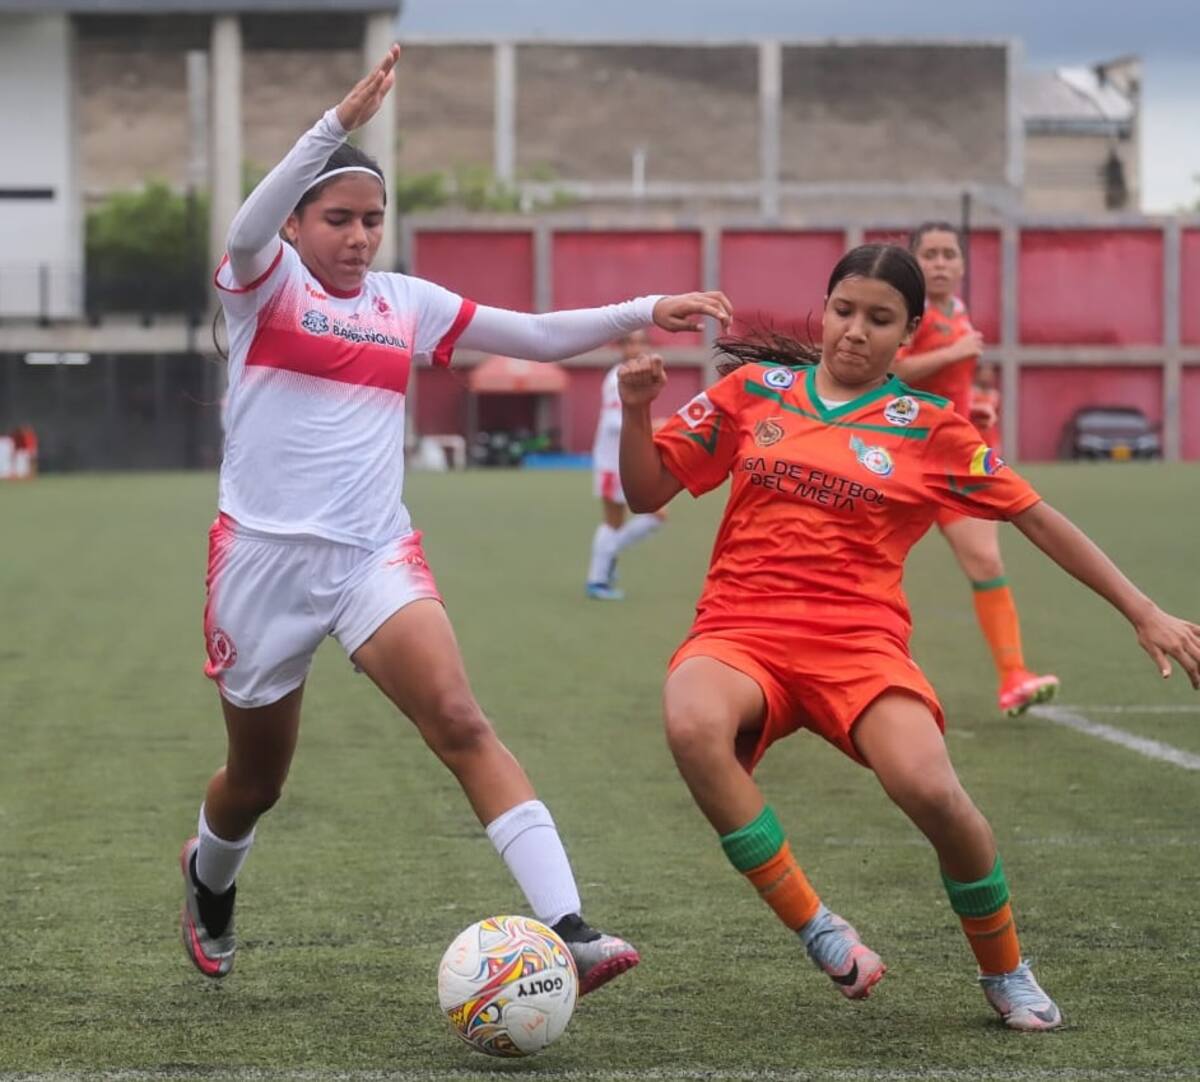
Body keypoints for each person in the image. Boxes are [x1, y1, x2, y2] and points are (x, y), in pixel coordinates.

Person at [183, 44, 733, 991]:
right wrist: (335, 126)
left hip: (371, 556)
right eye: (339, 219)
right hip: (261, 565)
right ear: (303, 223)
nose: (360, 237)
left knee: (460, 719)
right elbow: (242, 232)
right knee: (257, 784)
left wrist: (649, 307)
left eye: (373, 221)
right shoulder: (263, 287)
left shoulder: (406, 303)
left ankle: (571, 927)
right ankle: (209, 880)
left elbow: (534, 334)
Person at [616, 243, 1200, 1031]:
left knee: (932, 790)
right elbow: (647, 488)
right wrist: (635, 410)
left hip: (859, 647)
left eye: (880, 319)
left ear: (910, 334)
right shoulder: (754, 390)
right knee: (691, 721)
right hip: (740, 629)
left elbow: (1036, 517)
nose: (855, 331)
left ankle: (1006, 971)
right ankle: (819, 927)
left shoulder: (931, 429)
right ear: (822, 311)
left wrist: (1142, 609)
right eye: (844, 310)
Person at [892, 223, 1057, 717]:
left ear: (963, 266)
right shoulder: (908, 314)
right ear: (913, 262)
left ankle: (1014, 677)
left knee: (986, 563)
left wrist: (977, 409)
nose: (940, 263)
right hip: (902, 455)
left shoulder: (957, 311)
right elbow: (888, 373)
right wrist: (955, 353)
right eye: (930, 254)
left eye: (949, 255)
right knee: (870, 565)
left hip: (955, 454)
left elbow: (948, 384)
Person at [586, 329, 668, 600]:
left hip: (626, 459)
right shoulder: (617, 378)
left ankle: (605, 563)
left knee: (642, 519)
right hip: (613, 461)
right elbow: (612, 423)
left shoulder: (636, 375)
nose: (637, 347)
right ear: (621, 348)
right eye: (631, 342)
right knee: (619, 521)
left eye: (642, 342)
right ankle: (598, 578)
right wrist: (653, 426)